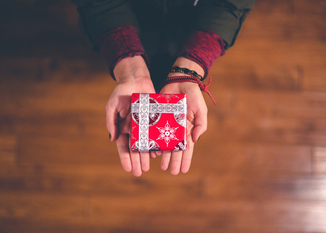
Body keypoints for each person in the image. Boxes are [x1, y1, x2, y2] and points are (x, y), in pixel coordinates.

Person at [73, 0, 255, 176]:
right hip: (121, 25)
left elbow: (230, 3)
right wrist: (127, 63)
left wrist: (193, 62)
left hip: (191, 27)